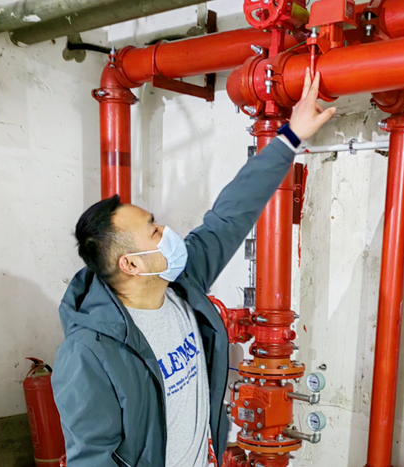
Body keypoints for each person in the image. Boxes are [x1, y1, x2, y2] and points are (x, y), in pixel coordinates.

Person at [51, 70, 336, 467]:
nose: (167, 232)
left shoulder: (181, 283)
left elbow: (230, 214)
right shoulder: (88, 354)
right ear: (131, 264)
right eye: (154, 230)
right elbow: (93, 460)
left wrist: (290, 137)